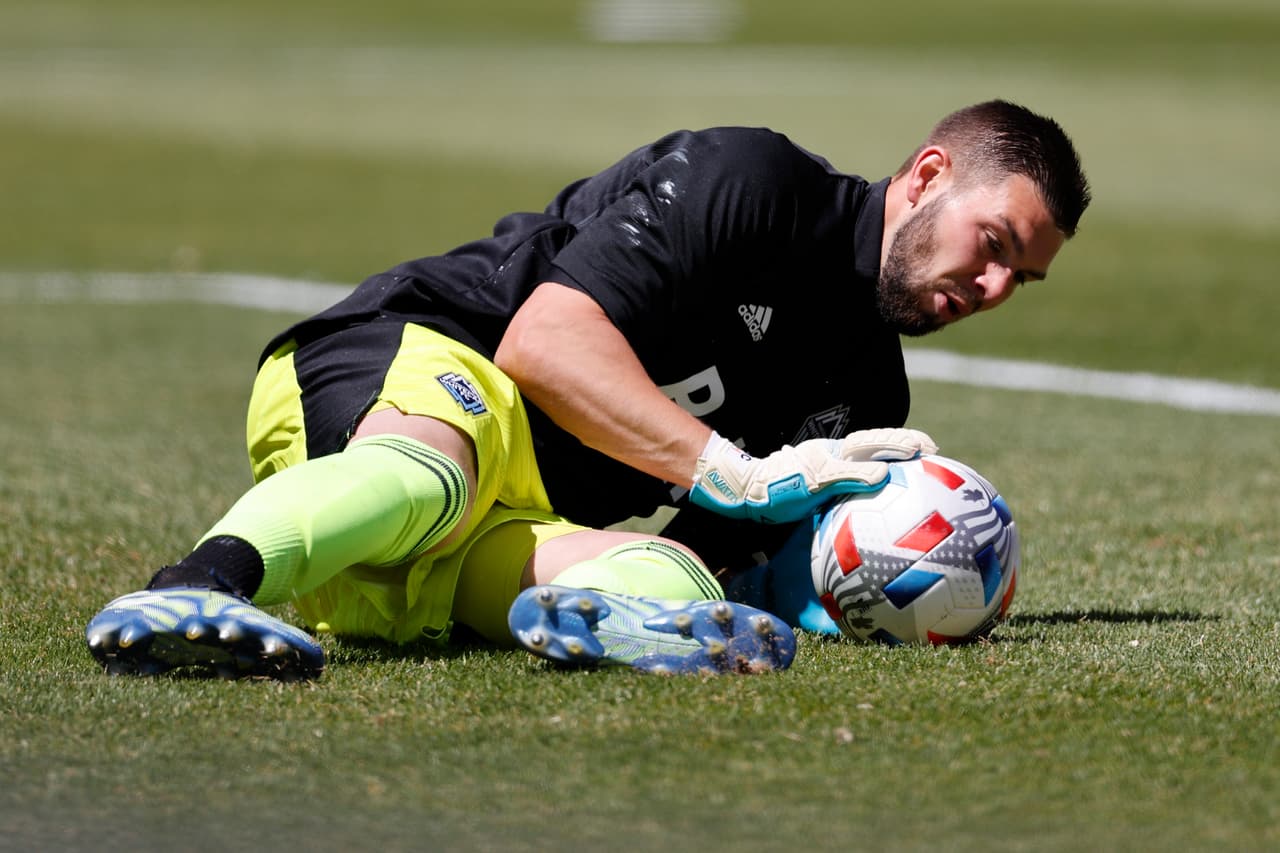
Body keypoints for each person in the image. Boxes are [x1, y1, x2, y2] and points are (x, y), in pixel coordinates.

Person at [84, 99, 1089, 679]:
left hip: (498, 526)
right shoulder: (752, 185)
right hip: (414, 364)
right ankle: (195, 589)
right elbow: (542, 345)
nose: (992, 287)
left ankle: (552, 619)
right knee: (426, 476)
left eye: (1020, 279)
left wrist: (828, 584)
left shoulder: (865, 396)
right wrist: (734, 475)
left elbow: (707, 551)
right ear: (923, 177)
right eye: (991, 245)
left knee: (682, 592)